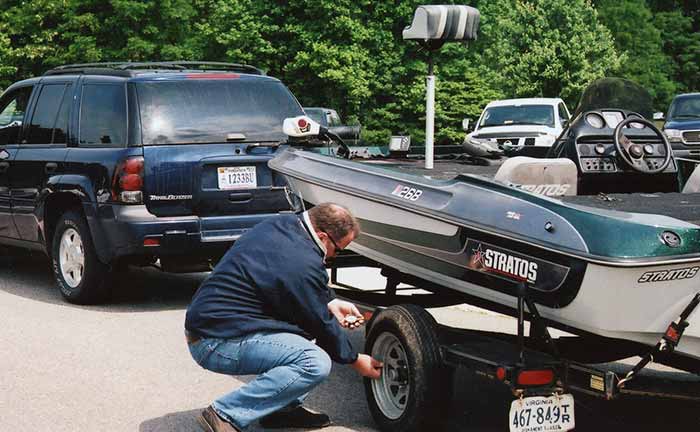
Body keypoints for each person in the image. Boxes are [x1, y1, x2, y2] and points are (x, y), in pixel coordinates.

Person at [185, 203, 383, 432]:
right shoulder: (300, 260)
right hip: (214, 341)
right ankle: (224, 414)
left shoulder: (284, 225)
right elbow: (320, 322)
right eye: (337, 249)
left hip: (215, 326)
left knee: (303, 335)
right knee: (314, 362)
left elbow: (304, 289)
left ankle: (281, 411)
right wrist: (355, 359)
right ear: (322, 236)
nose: (333, 256)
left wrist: (330, 301)